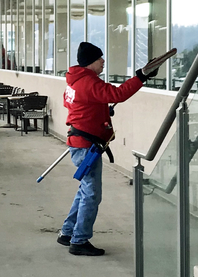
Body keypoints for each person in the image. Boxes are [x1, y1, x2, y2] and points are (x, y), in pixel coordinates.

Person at [57, 42, 159, 256]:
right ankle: (79, 240)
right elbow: (119, 94)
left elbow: (75, 106)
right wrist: (141, 76)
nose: (103, 61)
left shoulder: (74, 81)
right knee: (92, 194)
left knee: (85, 190)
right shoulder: (88, 82)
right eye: (99, 59)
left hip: (81, 143)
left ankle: (68, 232)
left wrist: (99, 111)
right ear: (90, 62)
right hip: (86, 147)